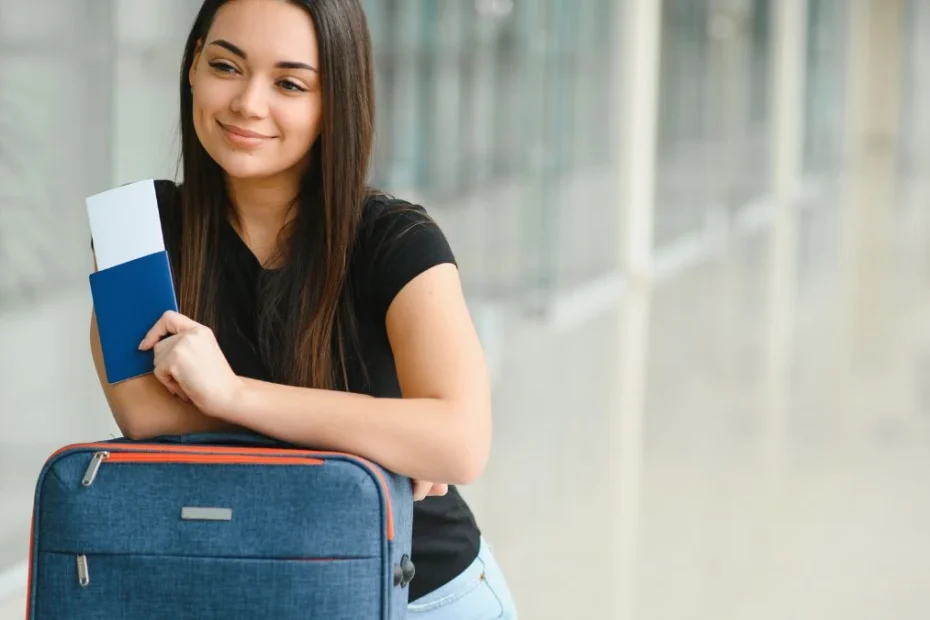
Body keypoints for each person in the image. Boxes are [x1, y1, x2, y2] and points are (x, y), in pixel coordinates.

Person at [88, 0, 518, 617]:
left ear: (333, 101)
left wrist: (231, 394)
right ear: (192, 67)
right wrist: (378, 449)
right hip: (226, 589)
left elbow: (461, 444)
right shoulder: (133, 228)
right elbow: (148, 417)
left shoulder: (398, 240)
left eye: (289, 83)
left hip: (417, 594)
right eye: (226, 66)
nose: (248, 104)